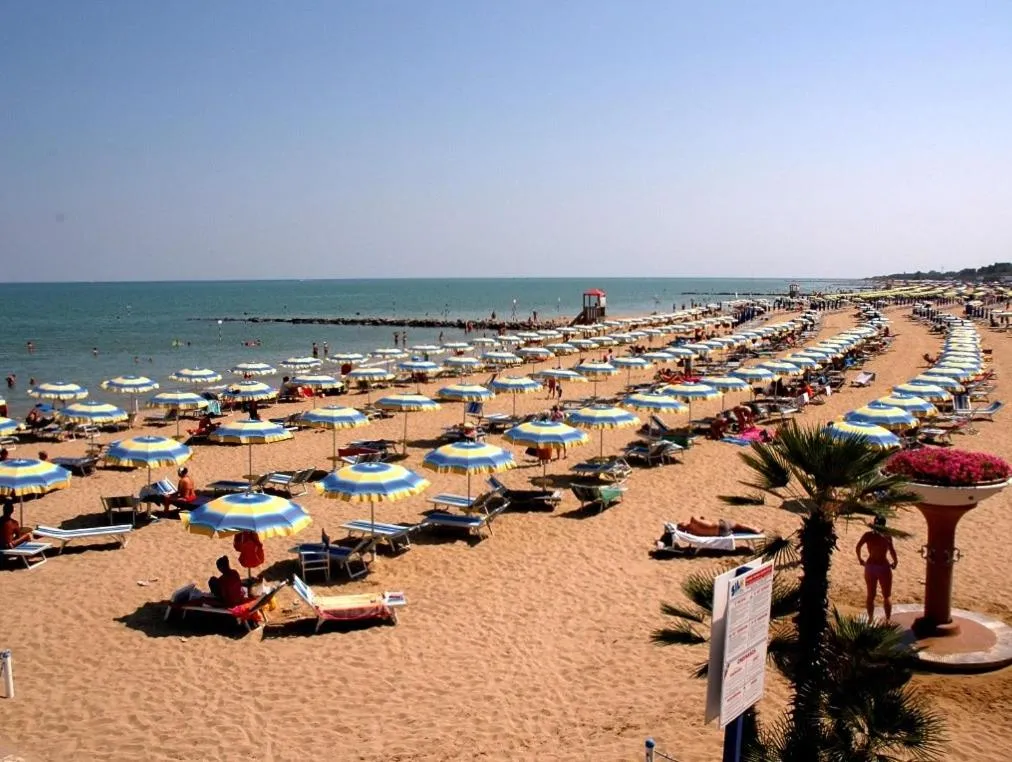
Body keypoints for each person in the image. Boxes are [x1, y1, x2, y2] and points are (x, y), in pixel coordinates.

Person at [856, 516, 898, 622]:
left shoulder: (868, 535)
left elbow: (858, 546)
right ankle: (887, 620)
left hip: (870, 566)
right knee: (887, 595)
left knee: (870, 595)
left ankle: (870, 619)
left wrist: (860, 559)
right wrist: (895, 562)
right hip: (883, 566)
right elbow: (892, 551)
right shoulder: (887, 536)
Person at [675, 515, 761, 537]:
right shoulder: (693, 520)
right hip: (720, 526)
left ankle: (752, 530)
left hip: (721, 534)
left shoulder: (691, 533)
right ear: (683, 525)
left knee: (737, 529)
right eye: (681, 523)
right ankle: (754, 529)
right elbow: (699, 516)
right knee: (738, 525)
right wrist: (701, 518)